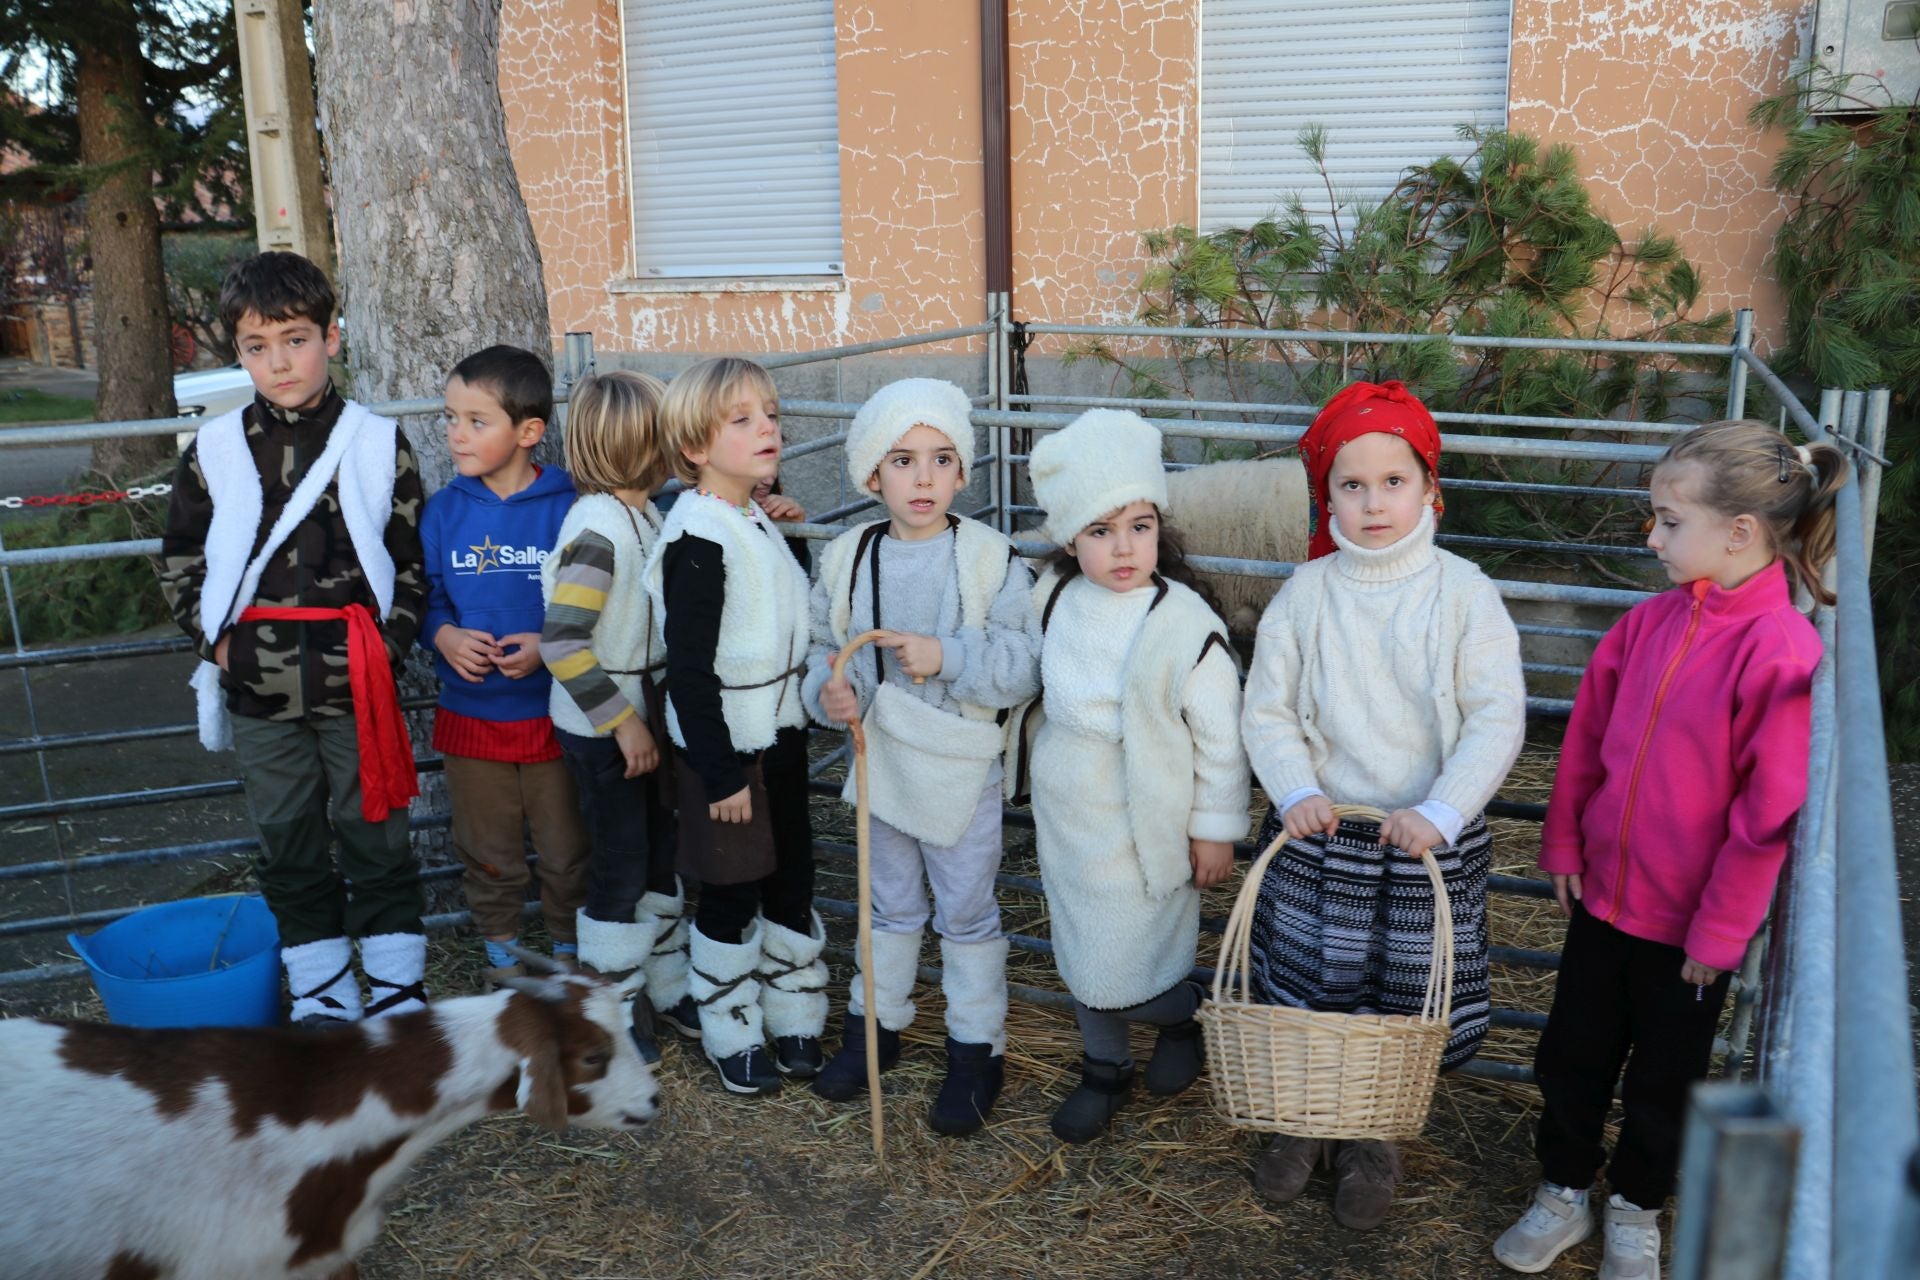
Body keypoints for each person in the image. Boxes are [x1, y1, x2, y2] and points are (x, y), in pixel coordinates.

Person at [1493, 420, 1839, 1279]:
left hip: (1690, 933)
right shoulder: (1643, 628)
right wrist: (1565, 842)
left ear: (1740, 533)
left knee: (1666, 1081)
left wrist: (1721, 932)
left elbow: (1768, 812)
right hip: (1606, 900)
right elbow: (1586, 744)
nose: (1651, 538)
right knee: (1570, 1055)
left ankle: (1639, 1207)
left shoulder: (1780, 652)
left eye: (1667, 521)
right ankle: (1564, 1188)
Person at [1240, 379, 1527, 1230]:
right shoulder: (1309, 594)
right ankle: (1304, 1122)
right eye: (1351, 485)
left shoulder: (1463, 593)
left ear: (1430, 489)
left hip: (1420, 842)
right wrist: (1293, 788)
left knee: (1399, 1001)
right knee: (1306, 985)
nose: (1372, 503)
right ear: (1326, 496)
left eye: (1392, 481)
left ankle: (1377, 1135)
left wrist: (1444, 808)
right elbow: (1268, 708)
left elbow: (1496, 714)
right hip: (1320, 831)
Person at [158, 250, 428, 1025]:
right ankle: (320, 989)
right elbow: (180, 557)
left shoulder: (377, 444)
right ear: (237, 352)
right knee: (288, 842)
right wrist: (219, 647)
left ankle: (399, 986)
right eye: (256, 346)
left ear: (332, 337)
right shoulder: (214, 450)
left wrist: (389, 645)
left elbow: (410, 562)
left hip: (359, 686)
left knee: (376, 835)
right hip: (258, 692)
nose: (279, 362)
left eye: (296, 339)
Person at [801, 378, 1041, 1135]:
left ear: (964, 473)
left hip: (961, 765)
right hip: (879, 762)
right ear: (873, 475)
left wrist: (947, 655)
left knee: (967, 910)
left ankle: (977, 1050)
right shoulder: (845, 559)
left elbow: (1024, 662)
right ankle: (876, 1027)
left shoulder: (990, 558)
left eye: (942, 459)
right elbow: (816, 652)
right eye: (903, 461)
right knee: (888, 901)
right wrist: (826, 694)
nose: (925, 478)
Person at [1007, 408, 1250, 1144]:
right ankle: (1104, 1067)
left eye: (1139, 526)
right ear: (1070, 538)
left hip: (1148, 814)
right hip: (1070, 808)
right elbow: (1024, 678)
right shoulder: (1050, 599)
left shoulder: (1183, 623)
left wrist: (1214, 830)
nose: (1123, 548)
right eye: (1100, 531)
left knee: (1135, 956)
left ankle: (1181, 1019)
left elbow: (1219, 739)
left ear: (1159, 528)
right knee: (1083, 950)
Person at [643, 357, 823, 1094]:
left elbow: (785, 606)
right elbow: (687, 670)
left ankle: (795, 1015)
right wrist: (717, 773)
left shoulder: (753, 516)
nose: (767, 429)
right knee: (731, 890)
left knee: (791, 878)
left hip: (780, 738)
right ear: (694, 448)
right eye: (742, 420)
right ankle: (730, 1023)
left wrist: (794, 534)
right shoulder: (698, 539)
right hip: (729, 753)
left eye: (771, 414)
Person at [420, 345, 589, 987]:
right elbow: (426, 599)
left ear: (528, 432)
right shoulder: (444, 512)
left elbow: (602, 594)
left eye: (475, 420)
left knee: (567, 850)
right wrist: (444, 637)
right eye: (450, 417)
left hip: (556, 716)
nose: (455, 433)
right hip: (473, 720)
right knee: (488, 853)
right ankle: (504, 963)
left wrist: (550, 642)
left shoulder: (570, 505)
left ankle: (570, 959)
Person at [539, 370, 696, 1060]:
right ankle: (608, 1006)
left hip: (640, 716)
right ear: (649, 447)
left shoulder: (643, 514)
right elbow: (563, 641)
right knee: (621, 865)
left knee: (659, 854)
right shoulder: (602, 531)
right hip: (606, 730)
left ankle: (661, 984)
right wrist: (622, 722)